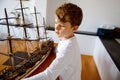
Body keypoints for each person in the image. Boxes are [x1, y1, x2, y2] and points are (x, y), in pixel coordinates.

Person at [22, 2, 83, 80]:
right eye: (56, 22)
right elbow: (59, 50)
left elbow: (49, 75)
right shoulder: (66, 38)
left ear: (74, 28)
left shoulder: (68, 48)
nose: (56, 28)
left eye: (61, 25)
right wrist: (52, 48)